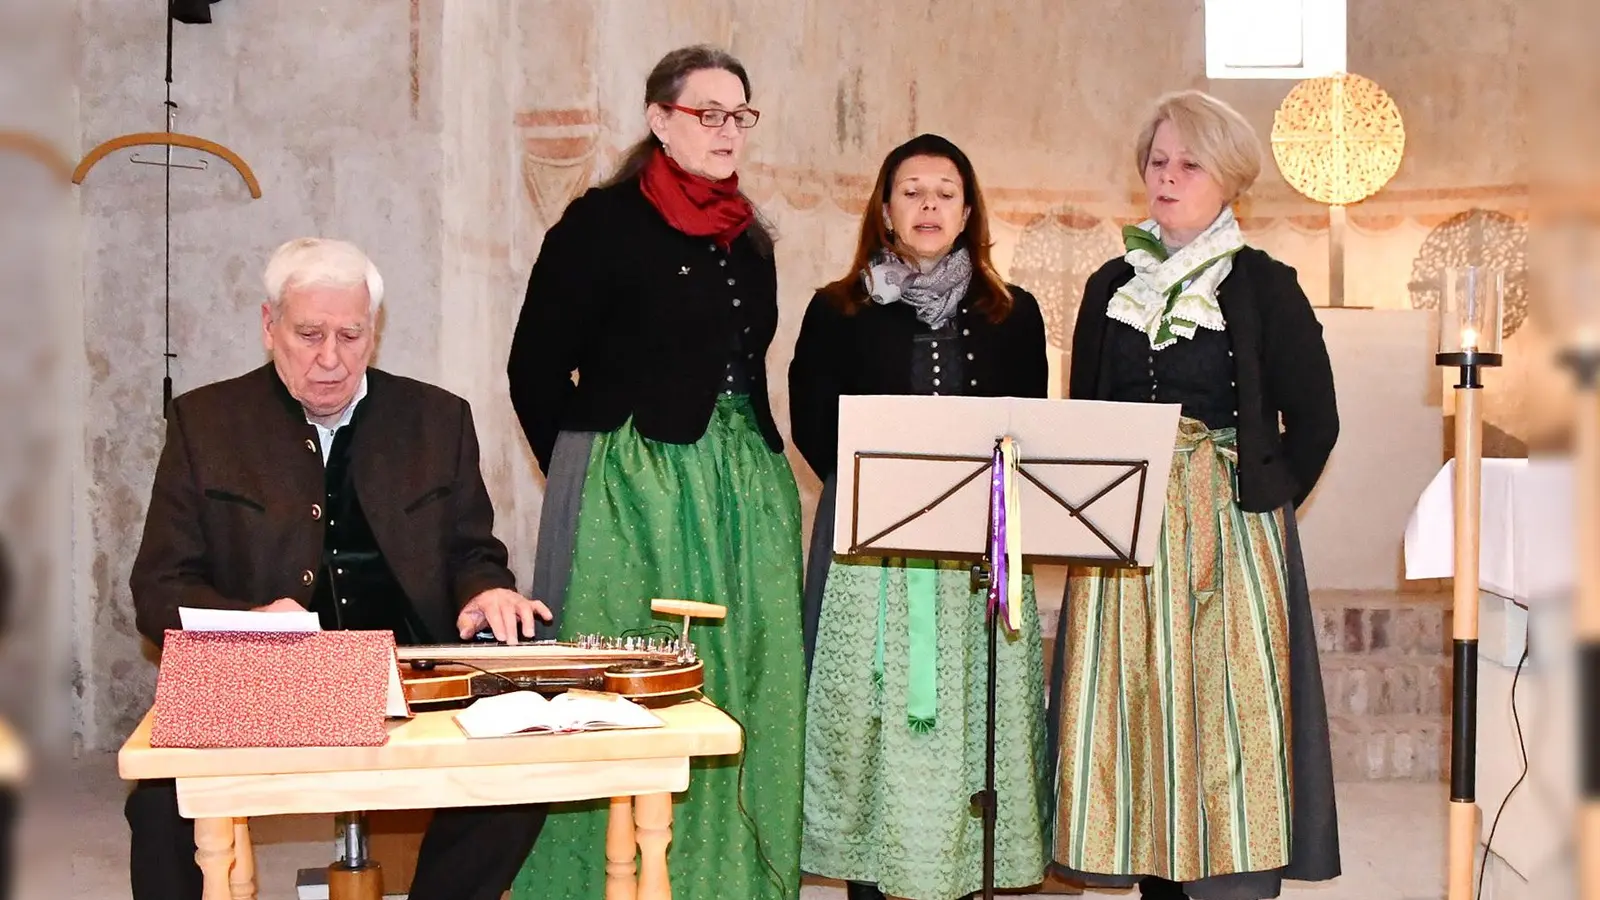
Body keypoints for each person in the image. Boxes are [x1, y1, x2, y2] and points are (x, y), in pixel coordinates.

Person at [125, 237, 551, 900]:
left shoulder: (437, 419)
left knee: (523, 769)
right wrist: (250, 621)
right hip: (268, 682)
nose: (331, 358)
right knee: (159, 804)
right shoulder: (205, 424)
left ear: (373, 332)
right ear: (270, 327)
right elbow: (157, 590)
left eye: (351, 335)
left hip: (415, 675)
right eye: (309, 334)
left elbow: (472, 551)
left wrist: (486, 591)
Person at [505, 44, 803, 900]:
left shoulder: (751, 238)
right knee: (624, 692)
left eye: (739, 115)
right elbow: (534, 368)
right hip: (631, 494)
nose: (726, 130)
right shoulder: (599, 224)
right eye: (707, 112)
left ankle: (731, 879)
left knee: (740, 679)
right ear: (660, 120)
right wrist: (582, 465)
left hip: (745, 490)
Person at [1045, 90, 1342, 900]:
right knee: (1137, 721)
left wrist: (1261, 506)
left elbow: (1315, 421)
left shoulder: (1263, 286)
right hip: (1126, 532)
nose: (1166, 177)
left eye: (1188, 163)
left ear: (1229, 179)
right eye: (1157, 161)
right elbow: (1084, 412)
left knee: (1226, 728)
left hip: (1228, 536)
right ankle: (1155, 880)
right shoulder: (1112, 282)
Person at [790, 133, 1051, 900]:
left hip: (980, 561)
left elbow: (1029, 428)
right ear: (884, 207)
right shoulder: (835, 309)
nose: (929, 204)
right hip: (874, 559)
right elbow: (814, 426)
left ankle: (972, 877)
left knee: (976, 731)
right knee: (875, 728)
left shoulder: (1015, 313)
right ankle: (871, 883)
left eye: (946, 190)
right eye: (912, 190)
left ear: (969, 210)